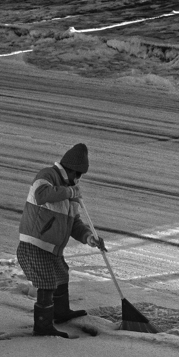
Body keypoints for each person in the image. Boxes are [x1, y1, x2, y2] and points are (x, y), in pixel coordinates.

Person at [17, 143, 105, 337]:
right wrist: (69, 192)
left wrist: (88, 237)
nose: (79, 179)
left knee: (61, 275)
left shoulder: (70, 190)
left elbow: (74, 223)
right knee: (47, 283)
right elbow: (41, 195)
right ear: (71, 169)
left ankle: (60, 311)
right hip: (35, 243)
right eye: (78, 174)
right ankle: (43, 325)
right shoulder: (47, 175)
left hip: (53, 248)